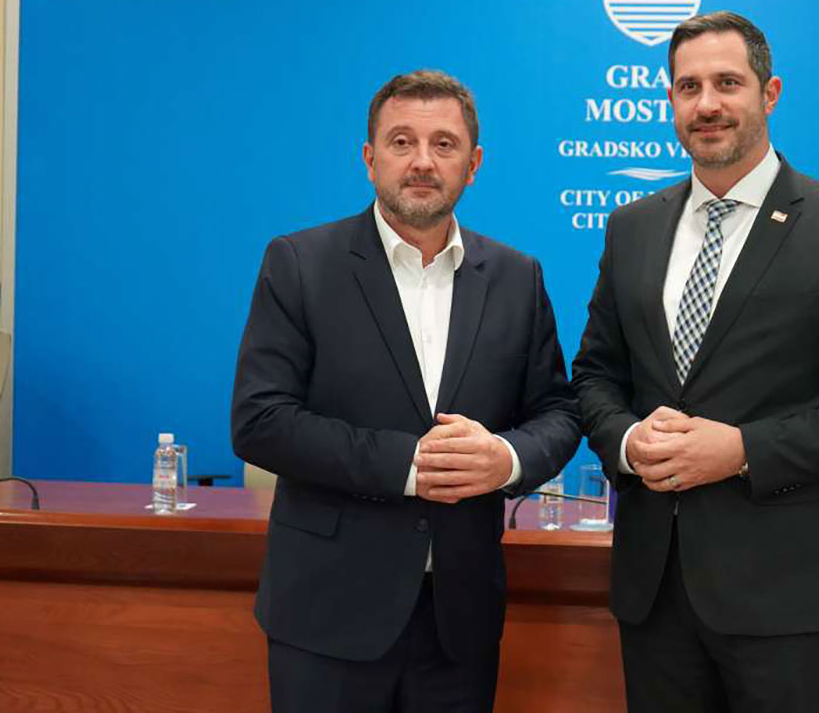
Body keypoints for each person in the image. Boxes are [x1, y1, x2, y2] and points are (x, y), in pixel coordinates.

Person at [571, 11, 819, 712]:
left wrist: (742, 450)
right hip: (655, 589)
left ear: (770, 93)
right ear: (670, 101)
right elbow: (595, 376)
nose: (706, 104)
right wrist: (628, 439)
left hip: (787, 593)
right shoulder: (632, 227)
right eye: (689, 87)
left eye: (727, 83)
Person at [232, 69, 580, 712]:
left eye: (444, 144)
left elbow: (557, 411)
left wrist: (505, 459)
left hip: (459, 621)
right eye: (402, 142)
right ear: (370, 159)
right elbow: (261, 420)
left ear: (473, 164)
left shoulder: (516, 276)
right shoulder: (300, 263)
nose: (422, 161)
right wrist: (410, 465)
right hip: (327, 617)